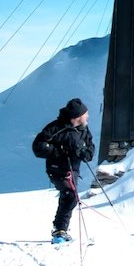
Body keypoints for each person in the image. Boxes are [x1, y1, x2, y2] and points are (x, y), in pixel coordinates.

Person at [32, 98, 95, 243]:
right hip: (57, 169)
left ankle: (60, 229)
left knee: (68, 197)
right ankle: (60, 231)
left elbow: (90, 148)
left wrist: (86, 153)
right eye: (86, 114)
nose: (88, 116)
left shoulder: (84, 129)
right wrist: (58, 151)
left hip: (73, 170)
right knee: (70, 196)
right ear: (77, 116)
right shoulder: (55, 128)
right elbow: (38, 147)